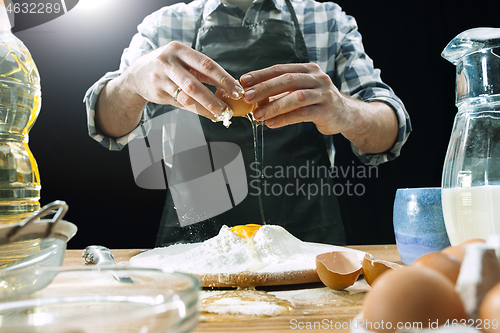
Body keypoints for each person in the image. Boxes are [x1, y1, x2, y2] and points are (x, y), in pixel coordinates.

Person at [84, 0, 411, 246]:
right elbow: (108, 127)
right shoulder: (164, 26)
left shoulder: (326, 20)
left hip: (307, 246)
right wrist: (132, 82)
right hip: (192, 251)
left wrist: (345, 111)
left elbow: (391, 131)